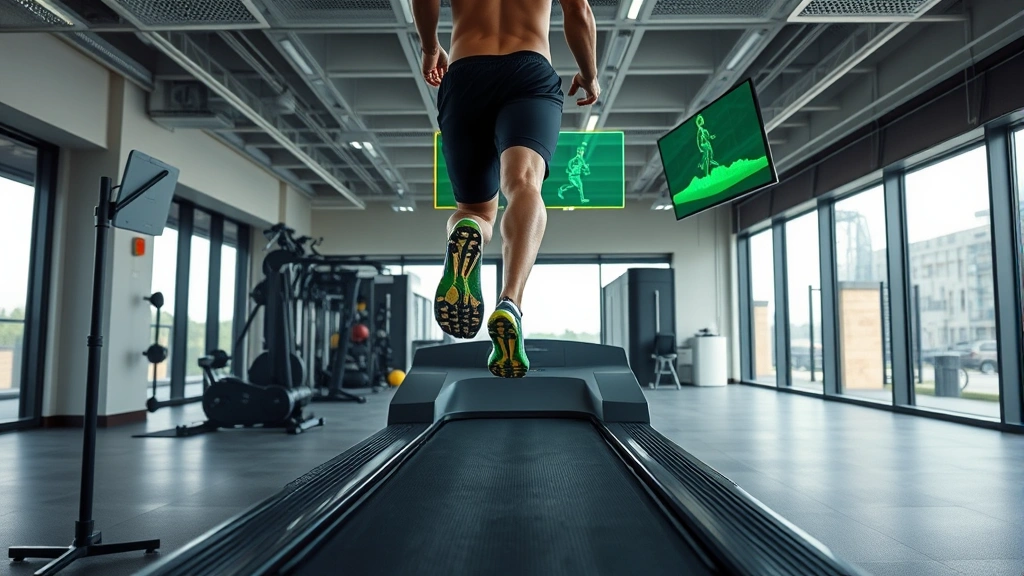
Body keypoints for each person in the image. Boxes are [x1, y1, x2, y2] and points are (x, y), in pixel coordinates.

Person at [412, 0, 600, 378]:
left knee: (475, 210)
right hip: (529, 71)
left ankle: (468, 231)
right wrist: (589, 73)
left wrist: (431, 46)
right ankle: (510, 302)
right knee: (524, 183)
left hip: (465, 71)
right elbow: (578, 9)